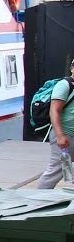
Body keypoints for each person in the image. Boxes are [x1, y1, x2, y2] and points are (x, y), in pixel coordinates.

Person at [35, 58, 74, 189]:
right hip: (66, 135)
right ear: (72, 68)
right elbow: (54, 111)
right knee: (55, 171)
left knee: (69, 170)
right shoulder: (65, 85)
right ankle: (38, 199)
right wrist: (60, 136)